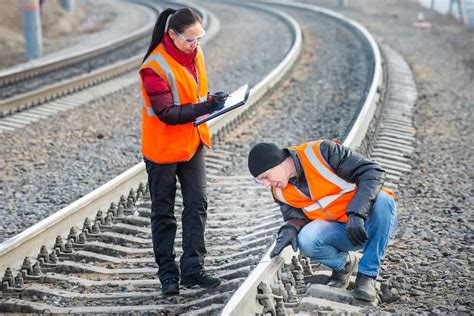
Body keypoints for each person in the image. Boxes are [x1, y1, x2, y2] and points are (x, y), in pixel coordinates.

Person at [139, 8, 228, 296]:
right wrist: (208, 106)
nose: (196, 45)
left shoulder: (196, 55)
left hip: (192, 142)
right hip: (163, 149)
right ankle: (168, 276)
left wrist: (212, 101)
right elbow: (166, 112)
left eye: (199, 38)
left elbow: (195, 93)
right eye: (190, 40)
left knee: (197, 204)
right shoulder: (153, 67)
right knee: (163, 214)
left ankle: (193, 269)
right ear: (172, 35)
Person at [247, 140, 397, 302]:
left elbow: (373, 172)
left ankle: (367, 276)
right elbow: (295, 216)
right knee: (306, 239)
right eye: (261, 181)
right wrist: (290, 228)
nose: (266, 184)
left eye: (265, 177)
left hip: (368, 222)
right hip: (341, 232)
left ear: (280, 163)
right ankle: (344, 264)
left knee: (383, 201)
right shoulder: (279, 191)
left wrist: (356, 213)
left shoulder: (322, 152)